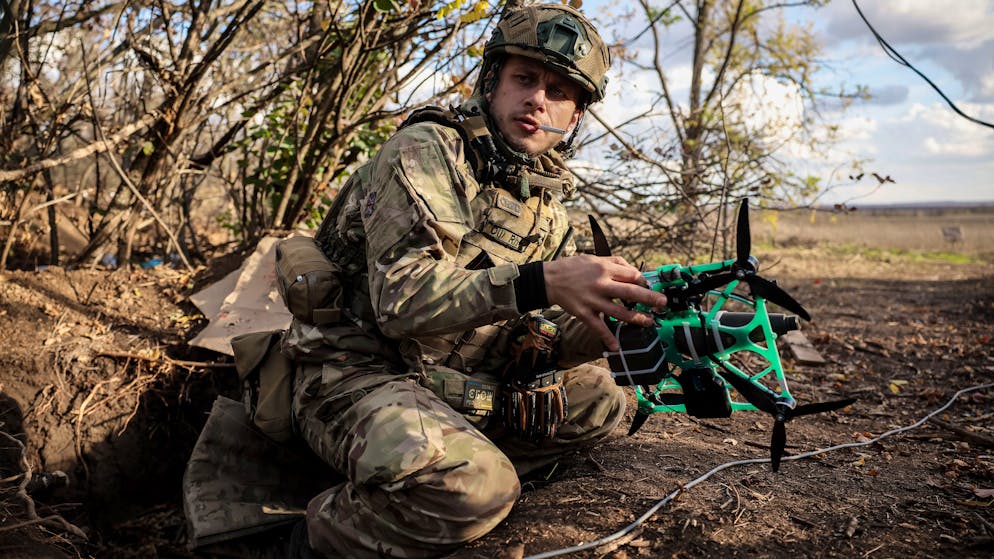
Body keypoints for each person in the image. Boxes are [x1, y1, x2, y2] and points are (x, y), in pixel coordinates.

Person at [191, 4, 667, 559]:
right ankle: (295, 543)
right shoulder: (428, 150)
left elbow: (544, 333)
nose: (539, 98)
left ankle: (434, 477)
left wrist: (614, 320)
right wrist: (543, 281)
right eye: (526, 78)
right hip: (353, 371)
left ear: (576, 116)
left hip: (446, 377)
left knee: (601, 405)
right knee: (476, 488)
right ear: (492, 81)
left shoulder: (547, 207)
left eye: (561, 91)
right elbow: (402, 300)